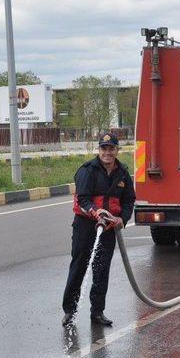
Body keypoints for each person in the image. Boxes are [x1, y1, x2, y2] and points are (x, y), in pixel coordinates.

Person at [62, 132, 136, 327]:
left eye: (111, 149)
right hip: (86, 226)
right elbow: (83, 199)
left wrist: (123, 218)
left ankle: (97, 312)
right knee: (79, 267)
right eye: (104, 148)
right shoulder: (87, 170)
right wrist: (97, 212)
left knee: (101, 270)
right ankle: (70, 311)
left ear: (117, 150)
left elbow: (129, 200)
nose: (108, 153)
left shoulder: (122, 173)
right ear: (99, 150)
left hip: (109, 228)